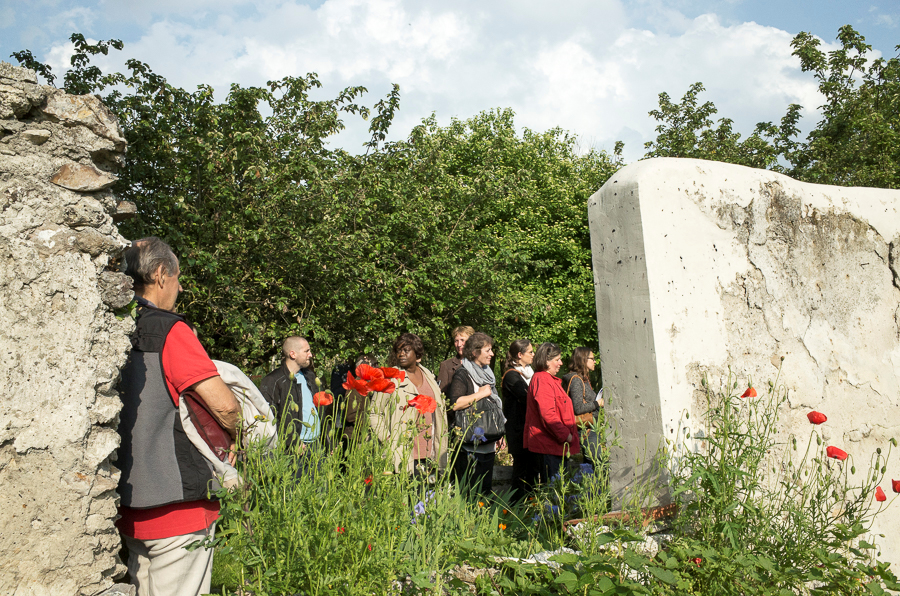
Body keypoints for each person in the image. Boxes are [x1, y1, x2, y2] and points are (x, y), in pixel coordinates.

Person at [116, 237, 241, 596]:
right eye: (177, 277)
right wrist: (240, 437)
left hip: (129, 502)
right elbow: (225, 406)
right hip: (178, 506)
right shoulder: (169, 329)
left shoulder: (115, 324)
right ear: (159, 274)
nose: (180, 287)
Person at [369, 334, 449, 475]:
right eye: (399, 351)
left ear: (417, 354)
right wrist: (388, 439)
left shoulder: (428, 376)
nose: (401, 354)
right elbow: (374, 413)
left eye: (406, 350)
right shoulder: (390, 378)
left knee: (429, 489)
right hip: (403, 452)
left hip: (430, 451)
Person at [447, 332, 504, 496]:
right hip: (469, 448)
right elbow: (455, 404)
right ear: (474, 352)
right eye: (487, 350)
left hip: (488, 444)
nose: (491, 354)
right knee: (469, 494)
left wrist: (499, 433)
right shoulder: (463, 374)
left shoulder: (488, 374)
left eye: (491, 350)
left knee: (484, 495)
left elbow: (494, 405)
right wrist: (480, 394)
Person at [523, 342, 580, 483]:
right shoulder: (542, 379)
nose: (561, 363)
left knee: (558, 488)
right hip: (548, 446)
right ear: (546, 361)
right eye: (557, 360)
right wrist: (566, 435)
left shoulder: (548, 379)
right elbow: (548, 414)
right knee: (553, 489)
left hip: (554, 446)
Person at [259, 336, 322, 457]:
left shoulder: (309, 376)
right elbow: (269, 416)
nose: (310, 355)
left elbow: (321, 409)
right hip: (293, 449)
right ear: (293, 354)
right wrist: (292, 442)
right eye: (306, 351)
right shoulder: (273, 380)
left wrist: (329, 441)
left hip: (317, 445)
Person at [500, 338, 540, 500]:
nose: (533, 355)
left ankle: (531, 503)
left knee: (532, 469)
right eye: (530, 352)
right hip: (518, 431)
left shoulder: (529, 374)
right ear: (519, 355)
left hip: (529, 429)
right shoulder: (511, 376)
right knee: (521, 469)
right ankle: (516, 504)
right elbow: (527, 397)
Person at [562, 347, 604, 467]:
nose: (595, 361)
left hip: (589, 427)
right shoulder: (576, 380)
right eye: (592, 359)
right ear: (583, 360)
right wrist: (597, 403)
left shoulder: (583, 379)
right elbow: (578, 408)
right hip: (585, 429)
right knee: (598, 463)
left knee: (589, 465)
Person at [436, 325, 474, 393]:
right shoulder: (446, 365)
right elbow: (440, 393)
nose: (459, 344)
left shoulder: (479, 363)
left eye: (462, 340)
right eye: (456, 341)